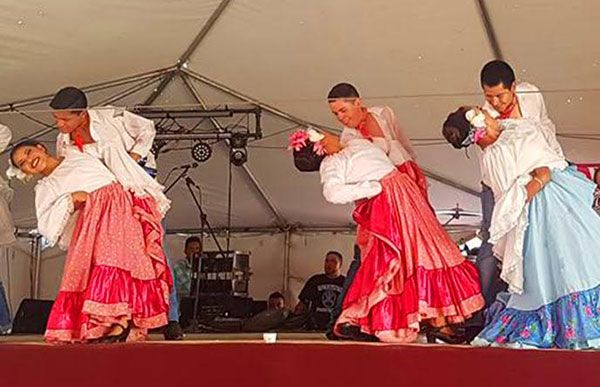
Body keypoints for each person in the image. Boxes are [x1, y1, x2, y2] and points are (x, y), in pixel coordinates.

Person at [290, 129, 484, 342]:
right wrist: (372, 188)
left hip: (405, 195)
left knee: (432, 253)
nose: (322, 132)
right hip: (389, 207)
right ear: (321, 146)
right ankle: (366, 319)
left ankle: (437, 320)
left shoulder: (350, 142)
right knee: (401, 262)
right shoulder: (333, 163)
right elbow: (333, 192)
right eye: (316, 135)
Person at [442, 107, 600, 348]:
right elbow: (510, 200)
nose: (486, 109)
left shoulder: (512, 127)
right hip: (542, 215)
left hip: (564, 198)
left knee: (585, 253)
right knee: (566, 268)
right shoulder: (494, 157)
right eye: (479, 112)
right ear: (479, 130)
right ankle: (573, 326)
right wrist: (539, 179)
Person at [49, 86, 183, 340]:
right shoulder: (63, 141)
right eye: (56, 119)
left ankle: (170, 318)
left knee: (151, 251)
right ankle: (116, 319)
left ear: (82, 114)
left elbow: (147, 128)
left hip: (133, 184)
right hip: (102, 202)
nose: (59, 124)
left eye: (65, 119)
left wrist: (132, 158)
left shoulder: (110, 117)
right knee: (109, 260)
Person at [9, 139, 172, 343]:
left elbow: (111, 137)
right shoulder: (45, 188)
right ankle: (107, 324)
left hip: (119, 207)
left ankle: (121, 321)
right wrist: (69, 200)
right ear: (26, 172)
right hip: (92, 222)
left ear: (41, 148)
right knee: (99, 268)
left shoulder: (77, 153)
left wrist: (134, 157)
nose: (29, 160)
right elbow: (46, 225)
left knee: (123, 264)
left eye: (29, 152)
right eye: (22, 163)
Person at [475, 60, 565, 307]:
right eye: (489, 96)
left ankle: (549, 297)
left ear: (513, 87)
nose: (495, 102)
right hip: (506, 182)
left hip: (542, 169)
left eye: (500, 95)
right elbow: (496, 163)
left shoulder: (530, 94)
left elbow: (543, 129)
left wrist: (553, 164)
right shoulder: (482, 119)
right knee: (494, 239)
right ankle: (485, 306)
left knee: (543, 235)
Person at [326, 83, 431, 206]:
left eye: (343, 110)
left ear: (357, 103)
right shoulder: (347, 138)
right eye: (335, 113)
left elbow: (401, 139)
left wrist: (413, 165)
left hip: (407, 172)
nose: (340, 117)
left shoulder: (383, 113)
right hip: (382, 190)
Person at [294, 251, 345, 331]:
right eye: (326, 261)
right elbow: (302, 304)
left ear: (340, 264)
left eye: (333, 261)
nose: (328, 264)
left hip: (337, 327)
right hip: (315, 326)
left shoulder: (345, 283)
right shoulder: (315, 280)